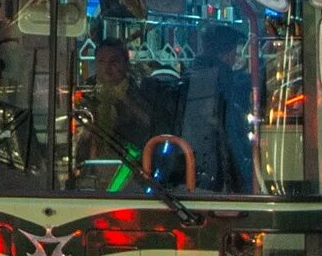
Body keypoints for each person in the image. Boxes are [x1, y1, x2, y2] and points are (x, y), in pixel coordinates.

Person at [79, 38, 175, 177]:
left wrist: (124, 100)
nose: (107, 68)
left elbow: (153, 127)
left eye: (114, 62)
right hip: (89, 169)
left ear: (126, 64)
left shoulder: (144, 90)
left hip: (132, 169)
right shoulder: (85, 94)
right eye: (101, 61)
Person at [183, 22, 255, 193]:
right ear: (228, 53)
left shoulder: (187, 76)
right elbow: (232, 134)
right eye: (235, 52)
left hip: (190, 167)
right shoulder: (225, 82)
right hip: (219, 171)